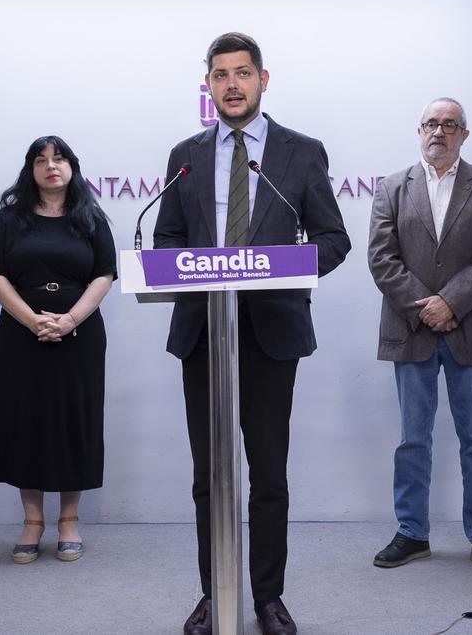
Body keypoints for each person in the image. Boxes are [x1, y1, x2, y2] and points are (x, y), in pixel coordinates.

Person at [154, 32, 351, 635]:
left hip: (270, 330)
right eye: (220, 75)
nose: (231, 85)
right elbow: (166, 240)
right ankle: (215, 595)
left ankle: (267, 598)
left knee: (268, 472)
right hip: (203, 332)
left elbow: (333, 238)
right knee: (207, 475)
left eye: (242, 73)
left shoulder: (300, 152)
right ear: (207, 85)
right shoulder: (185, 153)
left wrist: (281, 265)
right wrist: (198, 269)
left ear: (263, 80)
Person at [367, 97, 472, 578]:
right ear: (419, 130)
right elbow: (381, 258)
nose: (439, 131)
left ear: (464, 135)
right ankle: (412, 533)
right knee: (414, 439)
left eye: (450, 125)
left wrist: (451, 301)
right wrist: (427, 307)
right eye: (431, 123)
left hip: (470, 328)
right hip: (411, 331)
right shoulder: (391, 188)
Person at [0, 136, 115, 565]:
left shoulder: (90, 217)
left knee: (74, 421)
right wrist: (32, 320)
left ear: (72, 166)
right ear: (30, 169)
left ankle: (69, 520)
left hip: (79, 335)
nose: (50, 166)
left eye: (58, 159)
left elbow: (104, 275)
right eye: (41, 160)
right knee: (25, 421)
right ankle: (32, 521)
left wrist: (70, 319)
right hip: (22, 334)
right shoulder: (10, 219)